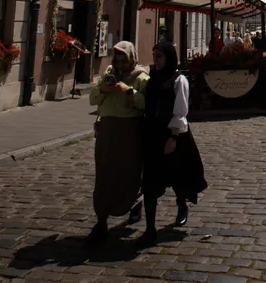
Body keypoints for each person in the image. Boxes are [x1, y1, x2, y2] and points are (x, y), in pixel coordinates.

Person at [137, 41, 207, 246]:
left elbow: (181, 110)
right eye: (154, 55)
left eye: (159, 56)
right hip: (153, 135)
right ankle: (150, 229)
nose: (156, 60)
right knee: (150, 183)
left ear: (169, 57)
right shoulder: (152, 79)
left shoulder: (179, 80)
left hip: (172, 135)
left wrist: (174, 137)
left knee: (177, 178)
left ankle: (181, 205)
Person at [86, 41, 149, 246]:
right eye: (118, 60)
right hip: (106, 130)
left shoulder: (141, 76)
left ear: (131, 59)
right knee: (104, 173)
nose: (120, 64)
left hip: (129, 130)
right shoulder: (109, 72)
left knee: (128, 173)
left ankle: (134, 201)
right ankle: (101, 220)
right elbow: (93, 99)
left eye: (124, 60)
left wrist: (129, 91)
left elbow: (146, 103)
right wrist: (104, 89)